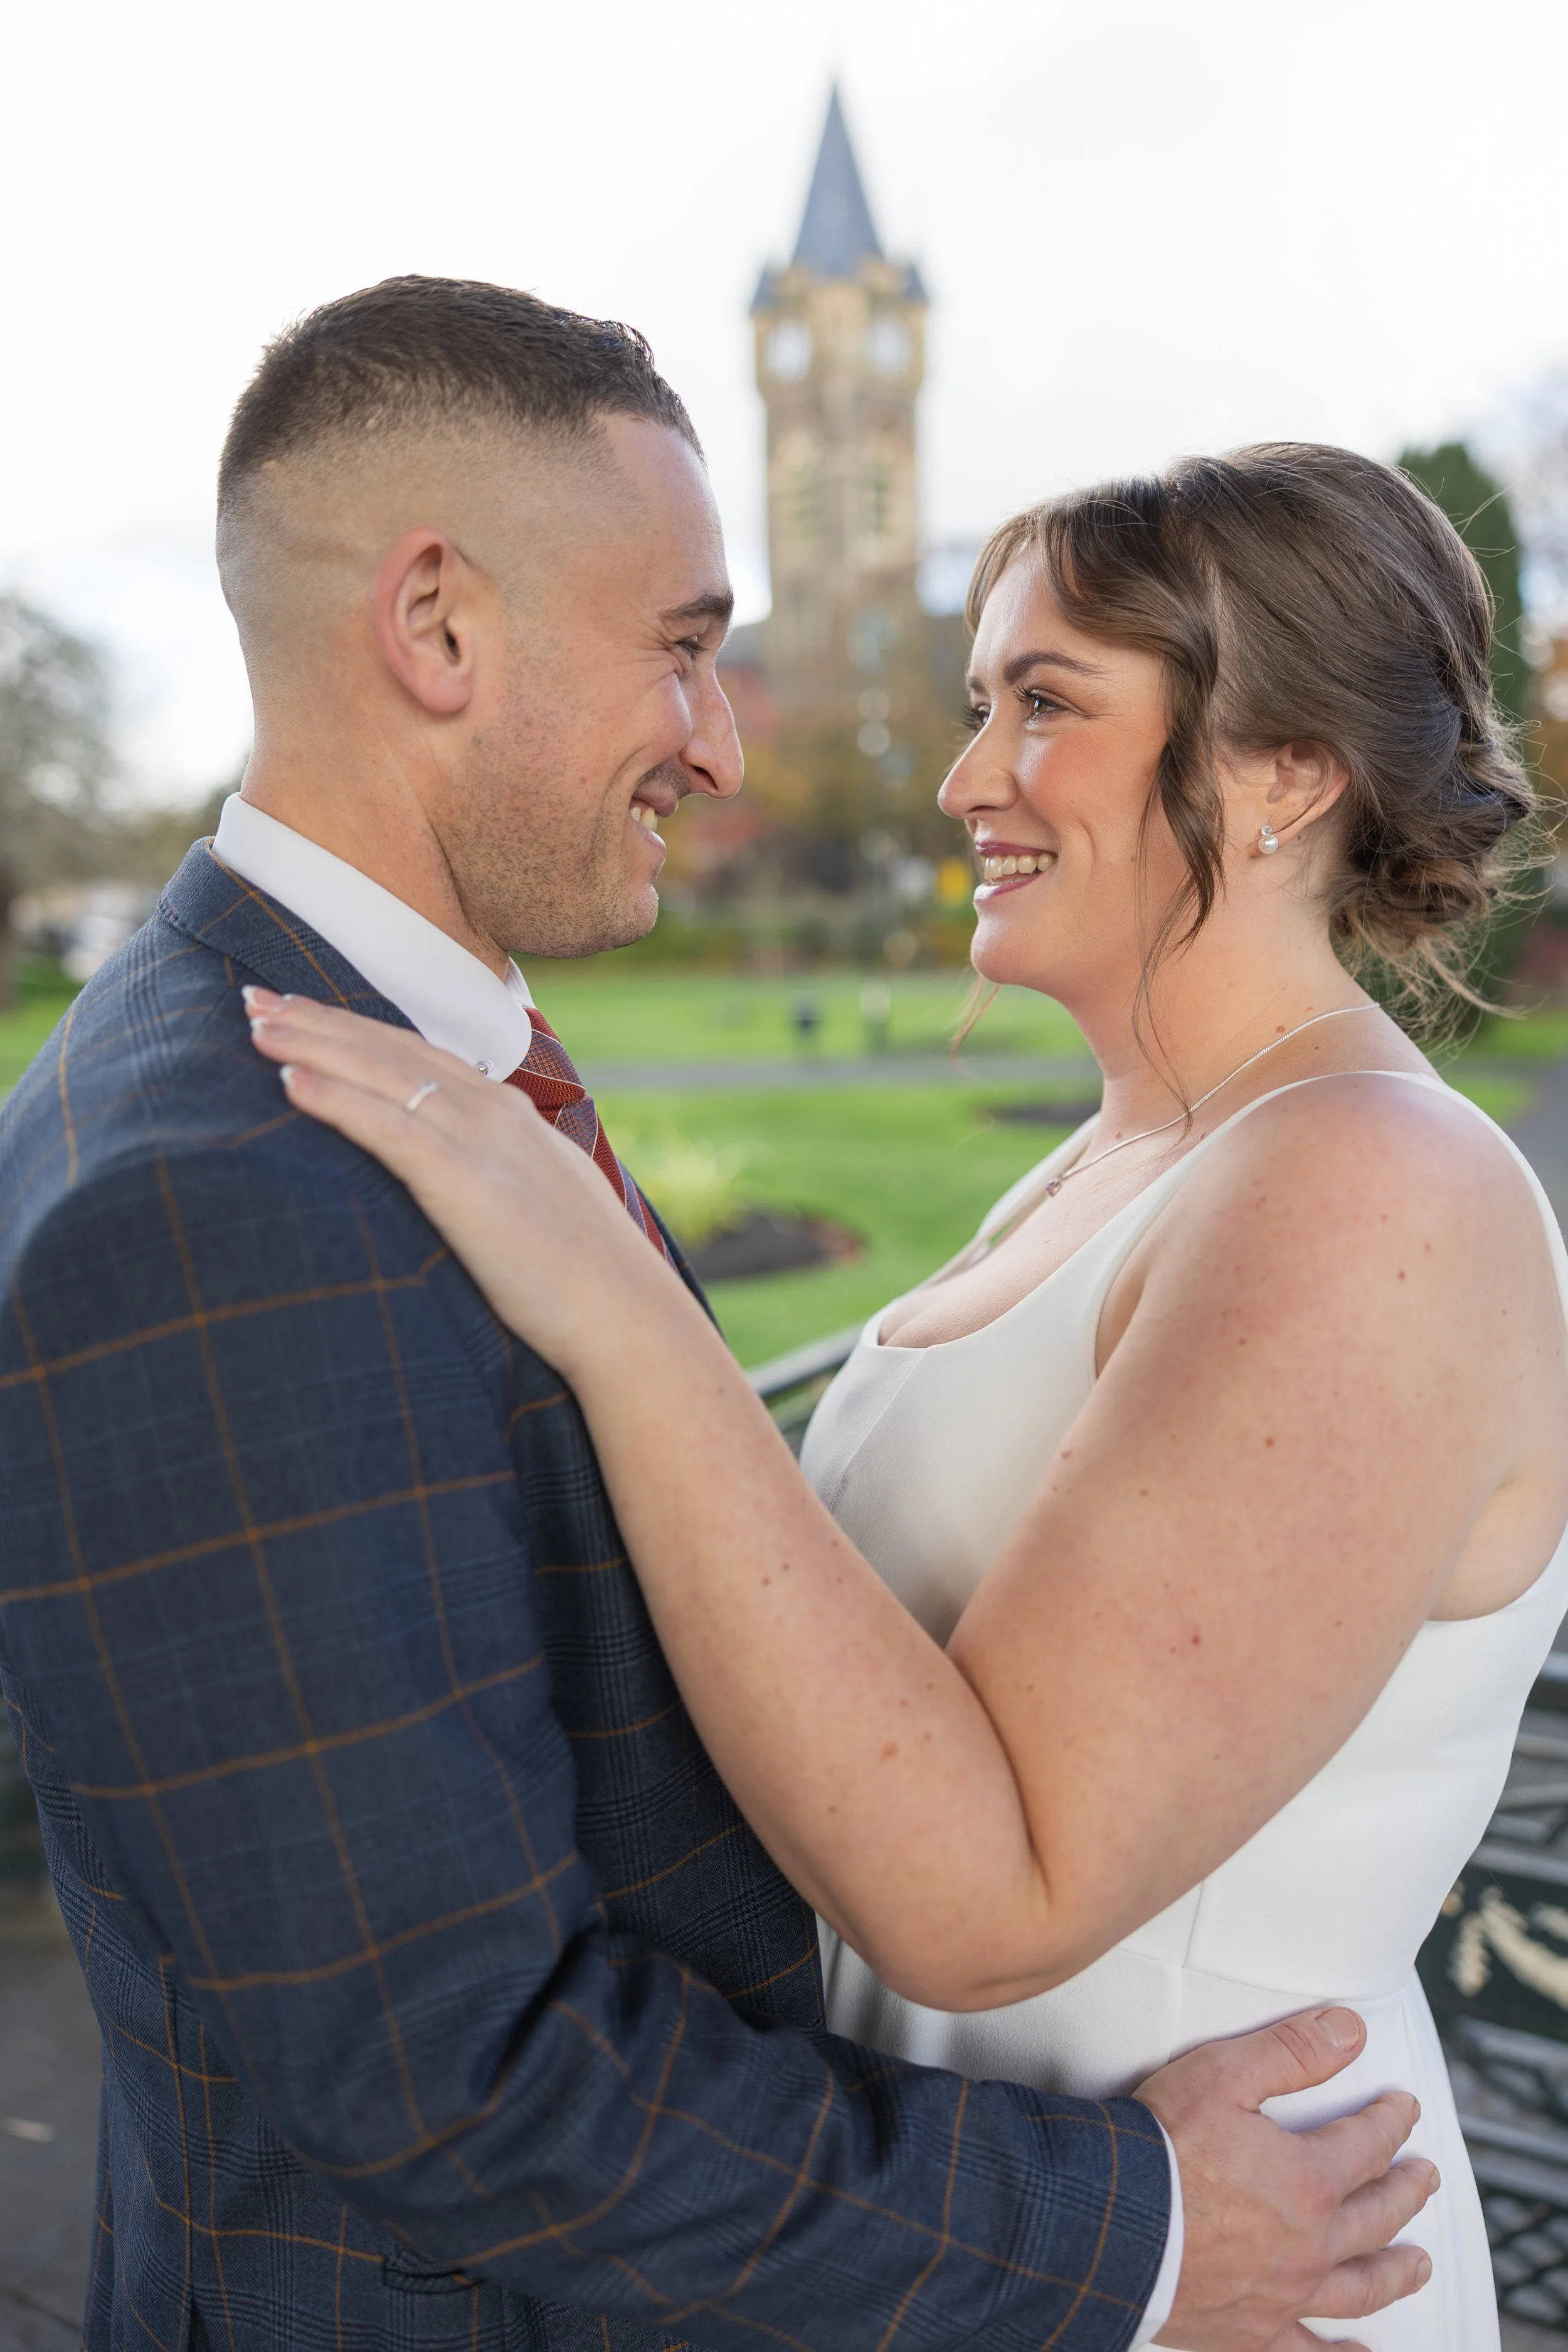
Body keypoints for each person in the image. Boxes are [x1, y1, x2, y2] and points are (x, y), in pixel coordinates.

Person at [0, 281, 1434, 2352]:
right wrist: (1118, 2233)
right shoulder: (218, 1192)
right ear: (436, 628)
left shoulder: (366, 1072)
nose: (724, 735)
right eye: (682, 646)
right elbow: (458, 2077)